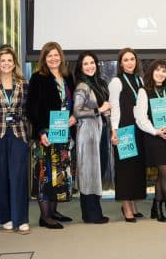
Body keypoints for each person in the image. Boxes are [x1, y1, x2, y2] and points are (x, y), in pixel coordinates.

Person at [27, 41, 76, 229]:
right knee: (45, 174)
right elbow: (31, 108)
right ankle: (45, 216)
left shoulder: (67, 77)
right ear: (44, 59)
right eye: (49, 56)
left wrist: (74, 117)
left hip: (63, 133)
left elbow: (73, 103)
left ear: (61, 57)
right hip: (45, 135)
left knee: (59, 173)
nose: (53, 58)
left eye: (56, 55)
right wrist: (40, 132)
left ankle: (53, 211)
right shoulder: (38, 78)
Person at [0, 46, 30, 234]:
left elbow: (27, 109)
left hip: (18, 134)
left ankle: (21, 219)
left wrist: (19, 117)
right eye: (3, 61)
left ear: (14, 63)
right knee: (0, 177)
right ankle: (6, 218)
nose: (6, 64)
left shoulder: (23, 84)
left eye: (10, 60)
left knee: (18, 177)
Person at [134, 60, 166, 221]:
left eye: (164, 71)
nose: (160, 73)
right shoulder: (144, 91)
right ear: (151, 72)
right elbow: (140, 118)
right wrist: (156, 131)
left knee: (163, 174)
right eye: (157, 70)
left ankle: (156, 207)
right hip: (154, 137)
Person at [109, 48, 146, 222]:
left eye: (132, 59)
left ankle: (132, 203)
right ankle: (126, 206)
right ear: (121, 63)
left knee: (136, 168)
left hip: (139, 129)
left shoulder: (140, 80)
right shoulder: (116, 81)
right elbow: (114, 108)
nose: (130, 62)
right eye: (126, 60)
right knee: (125, 169)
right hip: (124, 129)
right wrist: (114, 131)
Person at [73, 51, 110, 224]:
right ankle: (90, 214)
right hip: (87, 134)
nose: (90, 66)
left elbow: (102, 106)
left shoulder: (98, 83)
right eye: (85, 64)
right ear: (81, 67)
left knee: (97, 171)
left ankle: (94, 211)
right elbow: (77, 111)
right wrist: (99, 110)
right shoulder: (82, 86)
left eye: (92, 63)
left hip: (99, 132)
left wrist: (105, 112)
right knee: (88, 173)